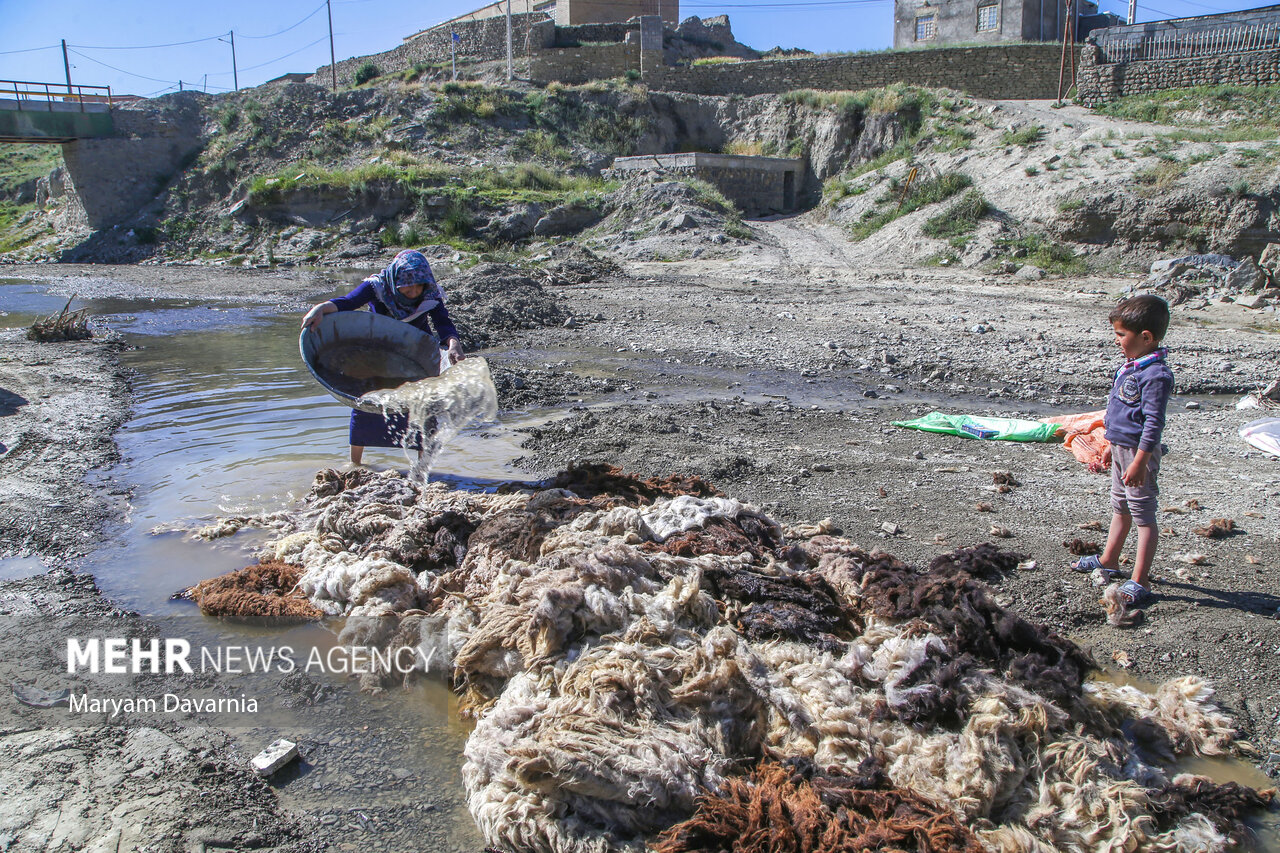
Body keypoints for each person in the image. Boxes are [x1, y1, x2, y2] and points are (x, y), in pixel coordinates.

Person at [301, 249, 466, 465]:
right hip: (377, 356)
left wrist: (453, 343)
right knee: (366, 406)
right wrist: (321, 309)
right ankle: (355, 466)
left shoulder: (430, 295)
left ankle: (423, 469)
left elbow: (443, 323)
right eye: (408, 285)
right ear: (396, 279)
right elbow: (348, 302)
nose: (414, 291)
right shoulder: (377, 287)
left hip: (414, 360)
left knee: (421, 413)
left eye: (419, 286)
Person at [1071, 294, 1173, 609]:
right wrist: (1109, 448)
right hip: (1121, 452)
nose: (1116, 340)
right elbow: (1121, 415)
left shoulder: (1156, 376)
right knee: (1120, 507)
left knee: (1143, 516)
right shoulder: (1130, 367)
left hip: (1139, 455)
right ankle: (1109, 560)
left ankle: (1140, 580)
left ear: (1146, 337)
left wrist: (1140, 462)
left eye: (1120, 335)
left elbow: (1153, 425)